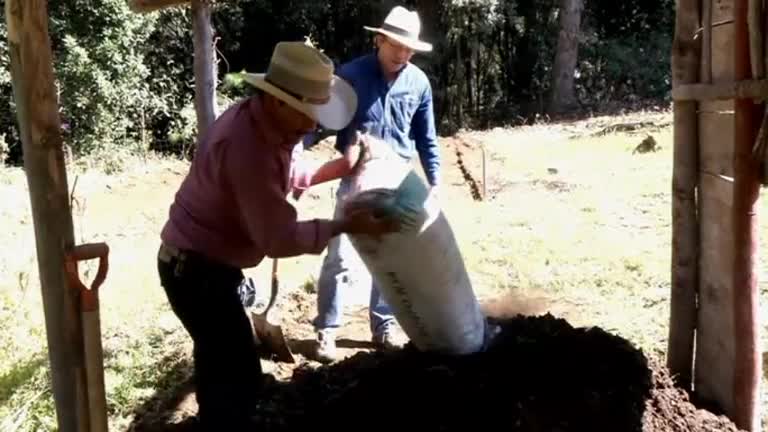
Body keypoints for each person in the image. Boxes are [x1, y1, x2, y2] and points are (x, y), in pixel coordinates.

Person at [156, 41, 398, 431]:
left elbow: (289, 175)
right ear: (277, 101)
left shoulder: (269, 128)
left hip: (208, 265)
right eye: (306, 113)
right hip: (195, 270)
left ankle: (239, 403)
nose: (311, 125)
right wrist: (347, 225)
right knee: (228, 377)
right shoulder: (246, 146)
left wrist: (342, 166)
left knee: (226, 360)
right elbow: (279, 238)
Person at [312, 5, 441, 362]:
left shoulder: (419, 83)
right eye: (396, 45)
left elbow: (426, 138)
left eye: (409, 48)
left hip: (396, 182)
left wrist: (435, 181)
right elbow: (320, 122)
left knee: (393, 256)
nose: (403, 54)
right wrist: (290, 152)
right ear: (378, 40)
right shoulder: (350, 76)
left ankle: (383, 326)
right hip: (354, 179)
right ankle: (327, 329)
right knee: (340, 258)